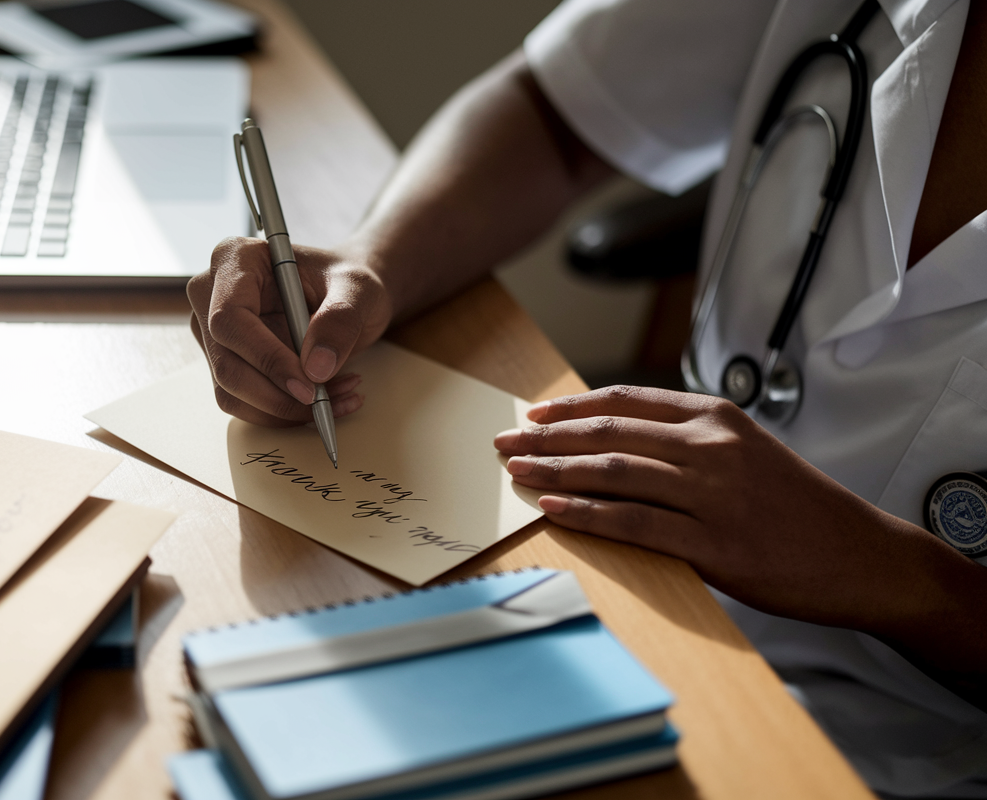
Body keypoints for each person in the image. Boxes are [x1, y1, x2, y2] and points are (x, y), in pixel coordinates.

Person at [187, 1, 987, 795]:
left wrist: (893, 574)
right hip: (640, 591)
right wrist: (373, 264)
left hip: (902, 754)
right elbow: (557, 112)